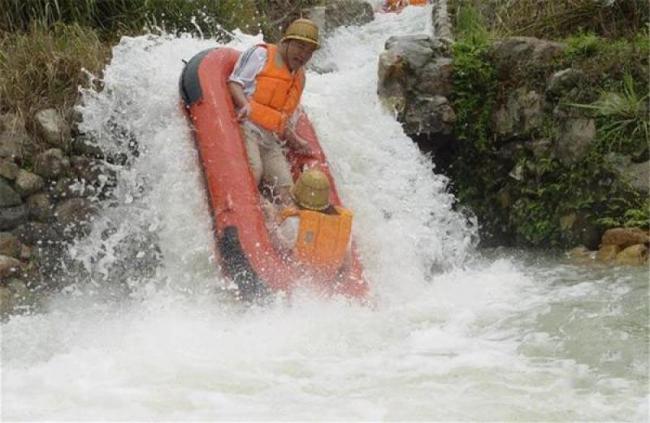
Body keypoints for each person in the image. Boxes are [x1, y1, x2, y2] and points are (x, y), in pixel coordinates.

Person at [228, 18, 320, 206]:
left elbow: (282, 118)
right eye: (300, 47)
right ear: (286, 42)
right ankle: (255, 209)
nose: (303, 55)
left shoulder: (299, 78)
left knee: (286, 188)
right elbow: (234, 82)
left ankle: (279, 224)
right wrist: (244, 104)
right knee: (255, 170)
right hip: (247, 126)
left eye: (309, 51)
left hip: (269, 138)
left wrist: (297, 141)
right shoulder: (260, 55)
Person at [272, 168, 354, 279]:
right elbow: (346, 264)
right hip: (328, 279)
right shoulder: (343, 228)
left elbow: (276, 243)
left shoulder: (293, 223)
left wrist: (272, 215)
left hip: (299, 276)